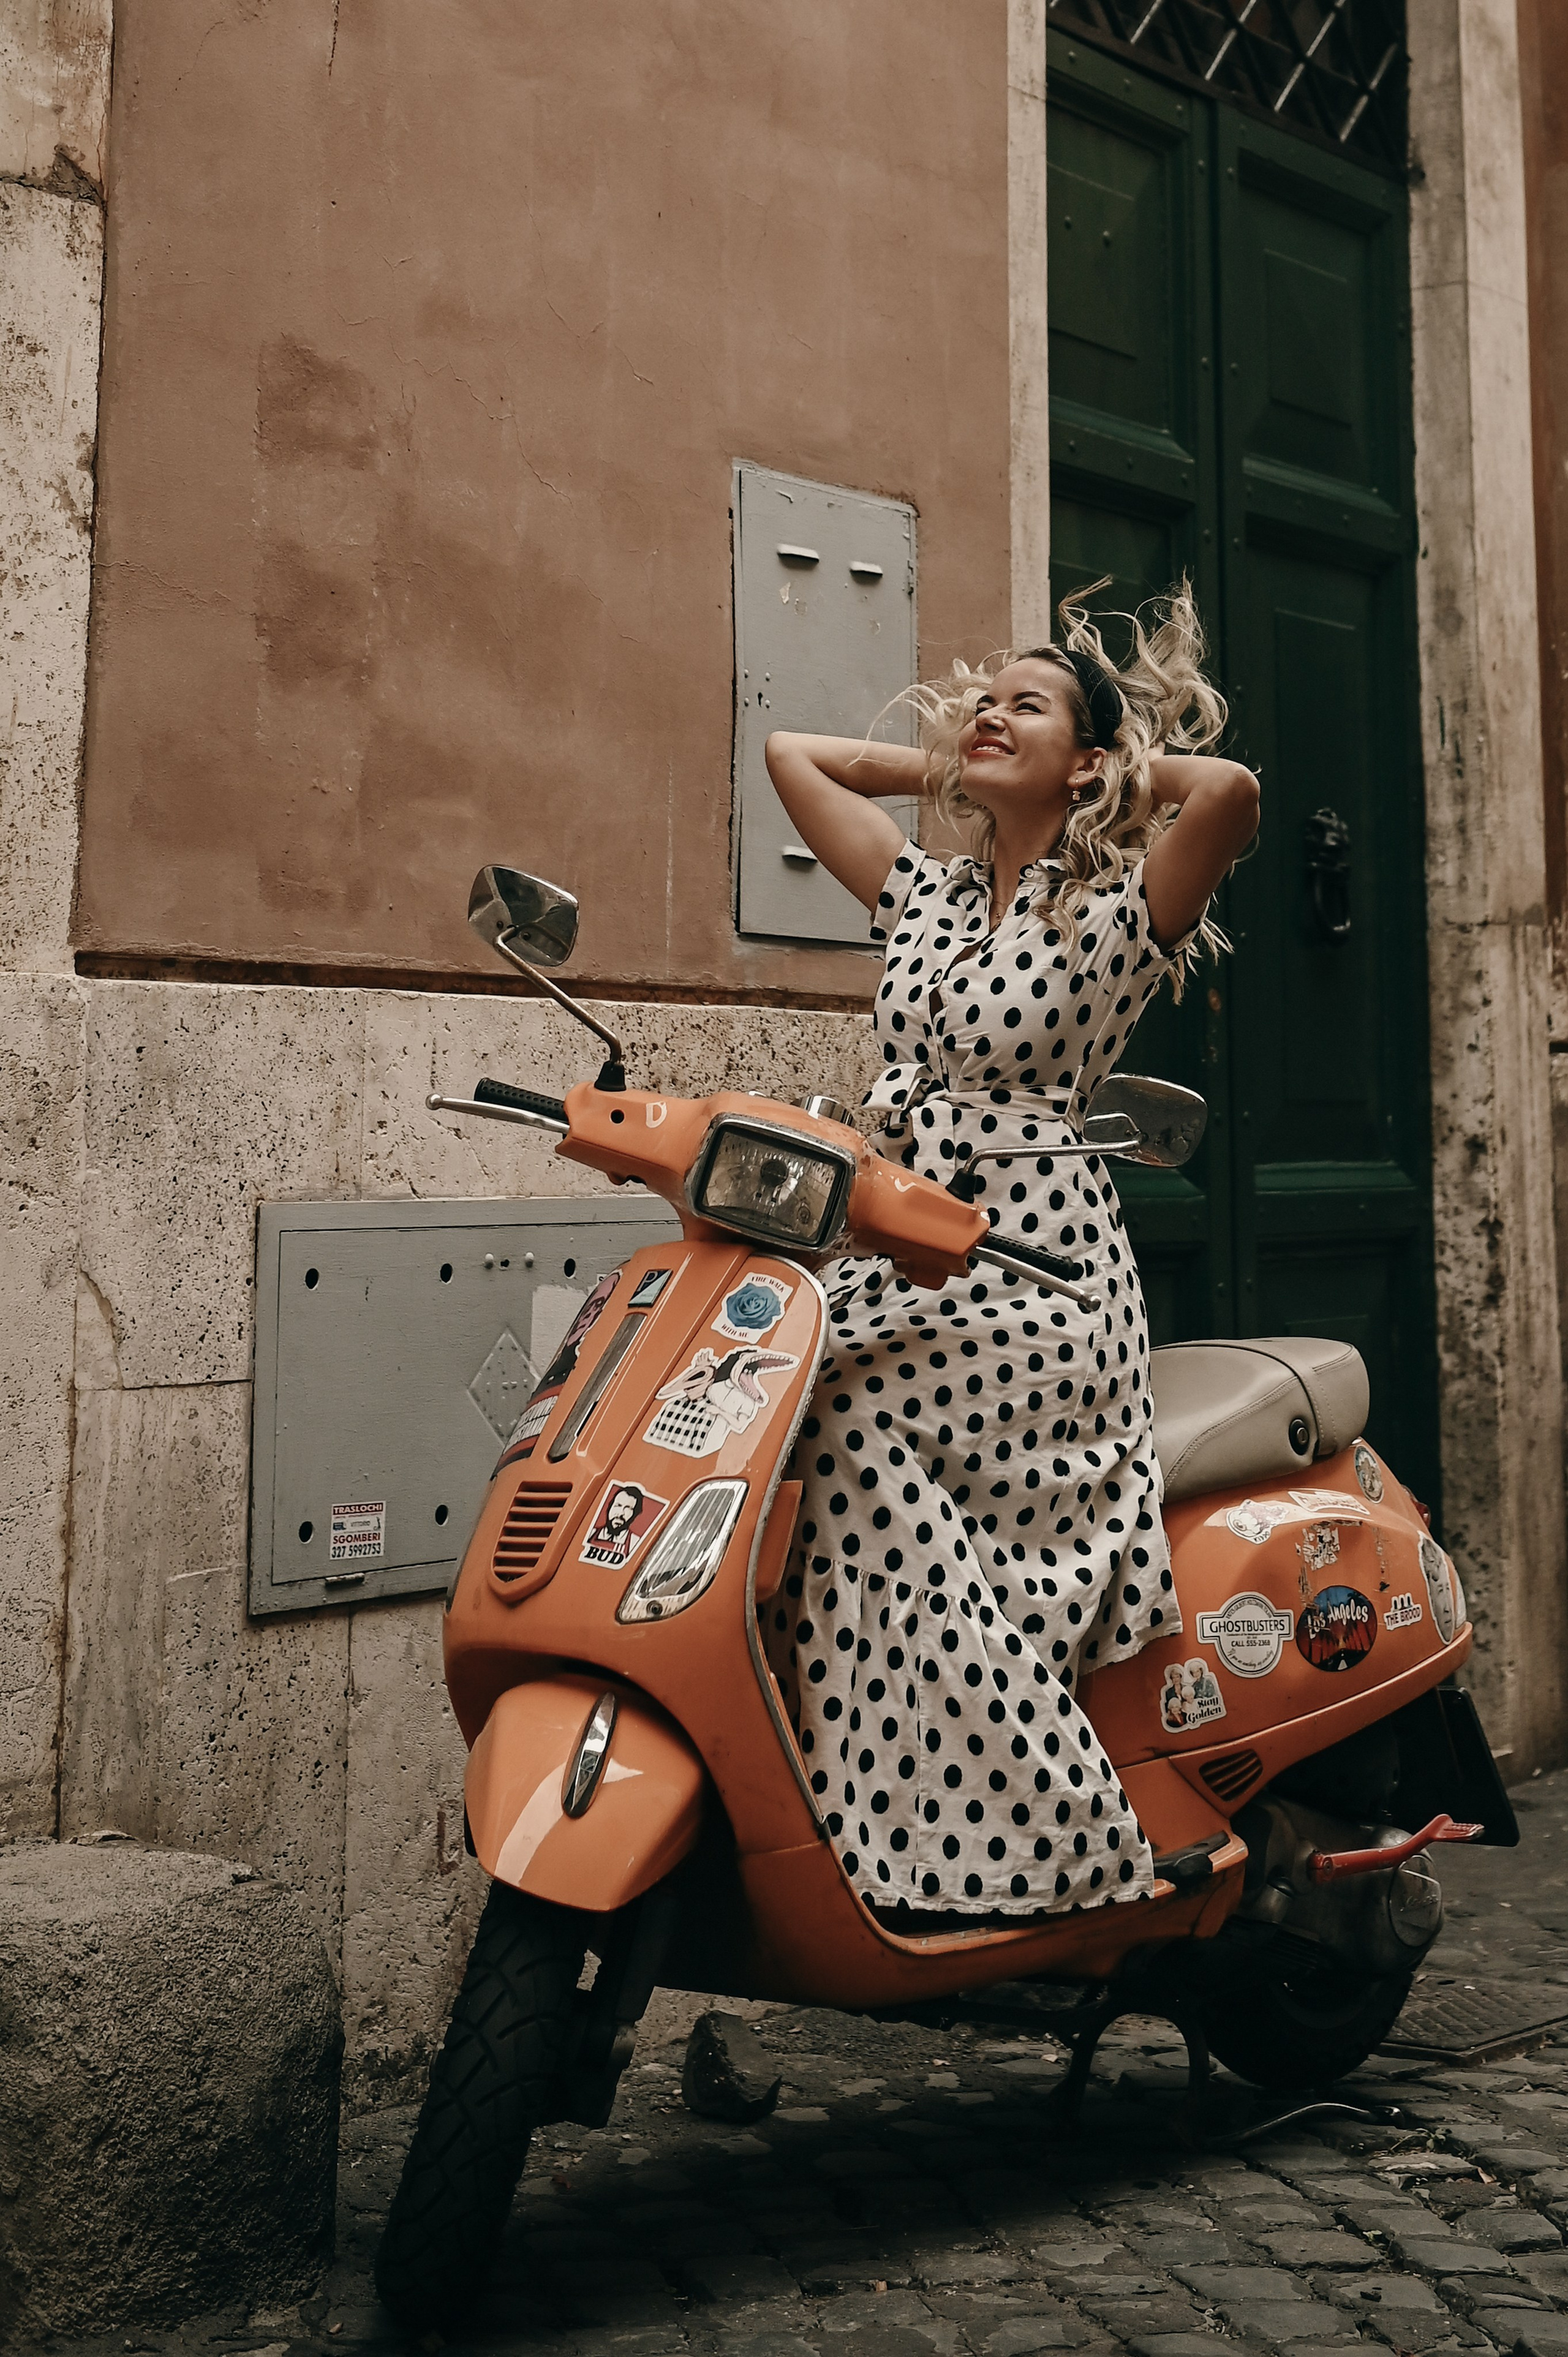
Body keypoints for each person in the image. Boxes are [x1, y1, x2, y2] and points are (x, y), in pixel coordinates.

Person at [760, 581, 1259, 1920]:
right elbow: (788, 757)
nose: (986, 709)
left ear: (1090, 758)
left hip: (1028, 1278)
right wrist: (967, 761)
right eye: (979, 697)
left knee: (852, 1432)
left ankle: (1035, 1825)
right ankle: (828, 1792)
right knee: (757, 1414)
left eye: (1021, 704)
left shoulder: (1109, 918)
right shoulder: (920, 892)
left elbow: (1225, 794)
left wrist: (1095, 768)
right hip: (888, 1244)